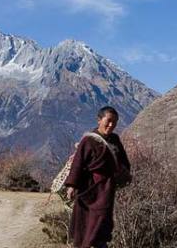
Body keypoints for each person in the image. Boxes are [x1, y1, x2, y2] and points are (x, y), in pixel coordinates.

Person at [64, 106, 131, 248]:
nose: (111, 125)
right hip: (88, 189)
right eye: (109, 121)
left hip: (106, 189)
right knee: (86, 223)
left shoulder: (115, 139)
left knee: (102, 220)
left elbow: (124, 161)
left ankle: (100, 243)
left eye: (115, 122)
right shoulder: (88, 141)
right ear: (99, 120)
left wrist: (123, 174)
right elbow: (78, 164)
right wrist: (71, 186)